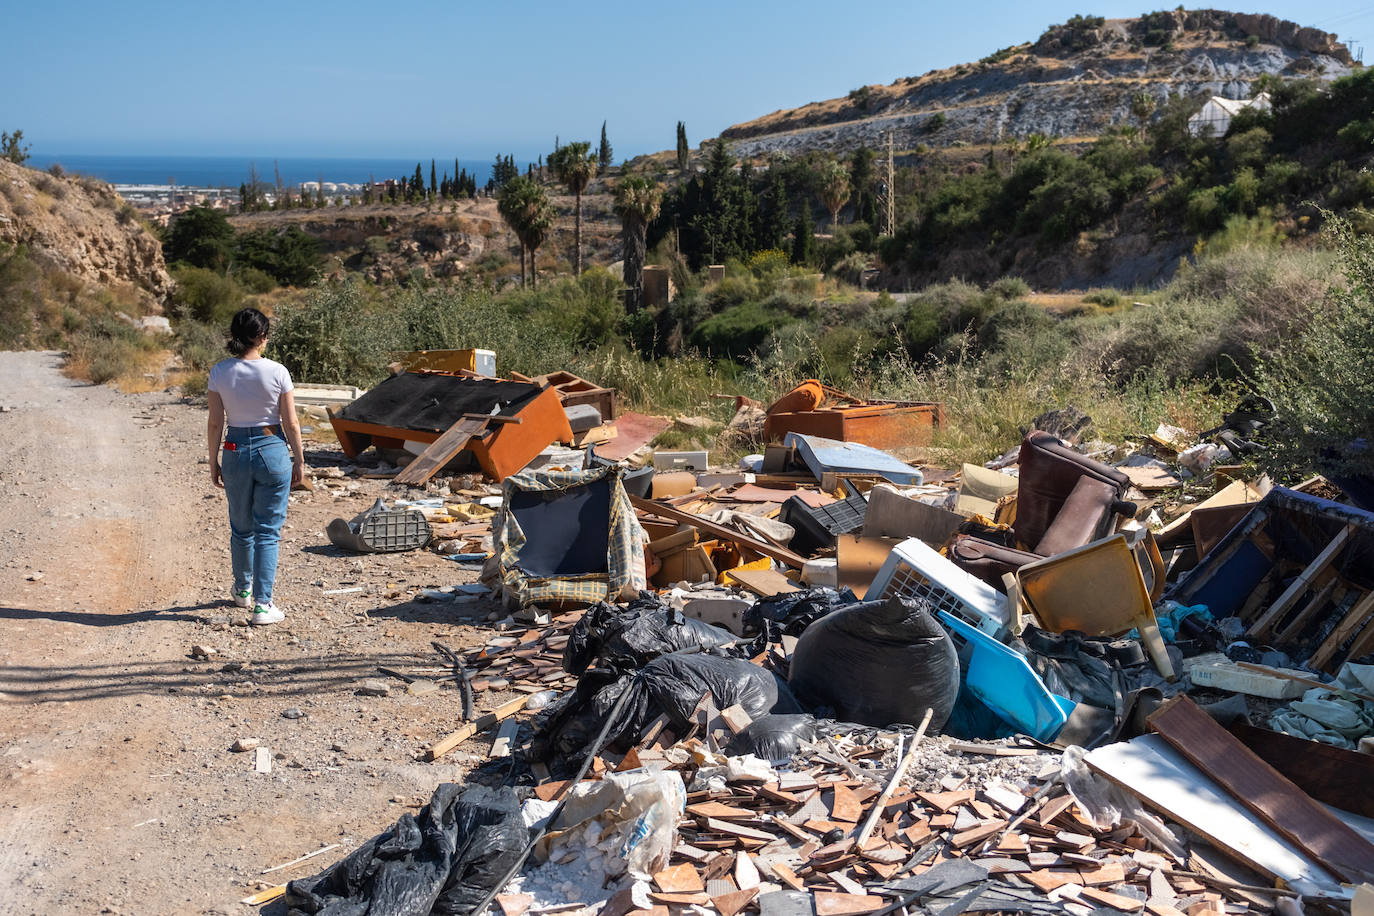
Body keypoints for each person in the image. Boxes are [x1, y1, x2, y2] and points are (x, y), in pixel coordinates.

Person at [206, 308, 304, 625]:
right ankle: (263, 605)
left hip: (234, 450)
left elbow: (215, 423)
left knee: (240, 527)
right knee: (268, 532)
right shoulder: (278, 371)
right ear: (262, 336)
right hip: (272, 448)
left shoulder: (220, 372)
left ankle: (242, 590)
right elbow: (291, 422)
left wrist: (213, 460)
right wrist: (300, 459)